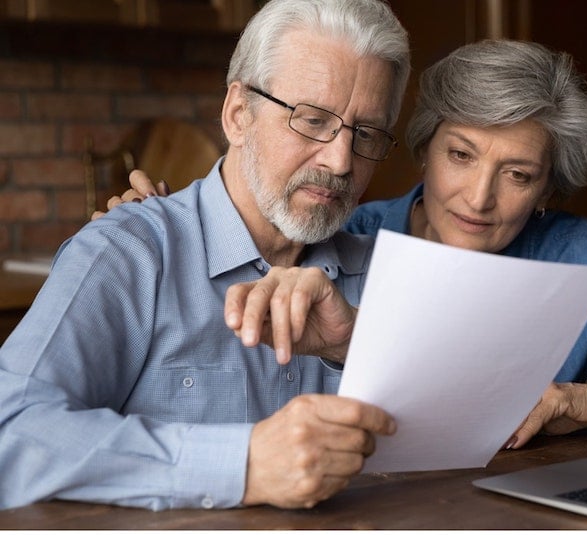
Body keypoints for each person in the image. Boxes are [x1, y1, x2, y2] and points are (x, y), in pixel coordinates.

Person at [111, 40, 587, 448]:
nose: (479, 198)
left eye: (518, 174)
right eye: (461, 155)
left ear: (549, 189)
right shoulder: (340, 239)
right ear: (424, 147)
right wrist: (172, 235)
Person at [0, 0, 411, 511]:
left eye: (366, 133)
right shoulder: (129, 253)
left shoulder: (391, 274)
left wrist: (358, 345)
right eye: (311, 120)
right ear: (239, 116)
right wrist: (244, 463)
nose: (340, 160)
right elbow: (10, 433)